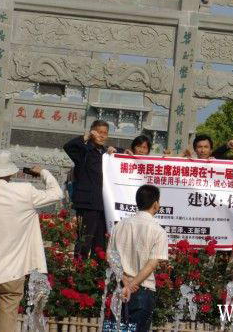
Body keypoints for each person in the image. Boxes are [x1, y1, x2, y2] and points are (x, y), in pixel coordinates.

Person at [0, 151, 63, 332]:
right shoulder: (25, 192)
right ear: (10, 172)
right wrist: (43, 172)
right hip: (11, 274)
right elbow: (57, 193)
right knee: (7, 325)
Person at [108, 185, 168, 332]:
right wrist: (131, 285)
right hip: (143, 290)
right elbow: (152, 264)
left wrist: (125, 281)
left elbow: (110, 257)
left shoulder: (119, 226)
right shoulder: (158, 231)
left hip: (120, 288)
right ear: (155, 204)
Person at [63, 120, 123, 258]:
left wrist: (116, 151)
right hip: (87, 203)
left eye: (105, 133)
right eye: (99, 132)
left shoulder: (107, 153)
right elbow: (68, 147)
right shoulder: (84, 151)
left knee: (100, 242)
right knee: (84, 240)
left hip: (104, 205)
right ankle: (80, 267)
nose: (102, 136)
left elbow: (125, 154)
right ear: (92, 132)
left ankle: (98, 270)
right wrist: (86, 137)